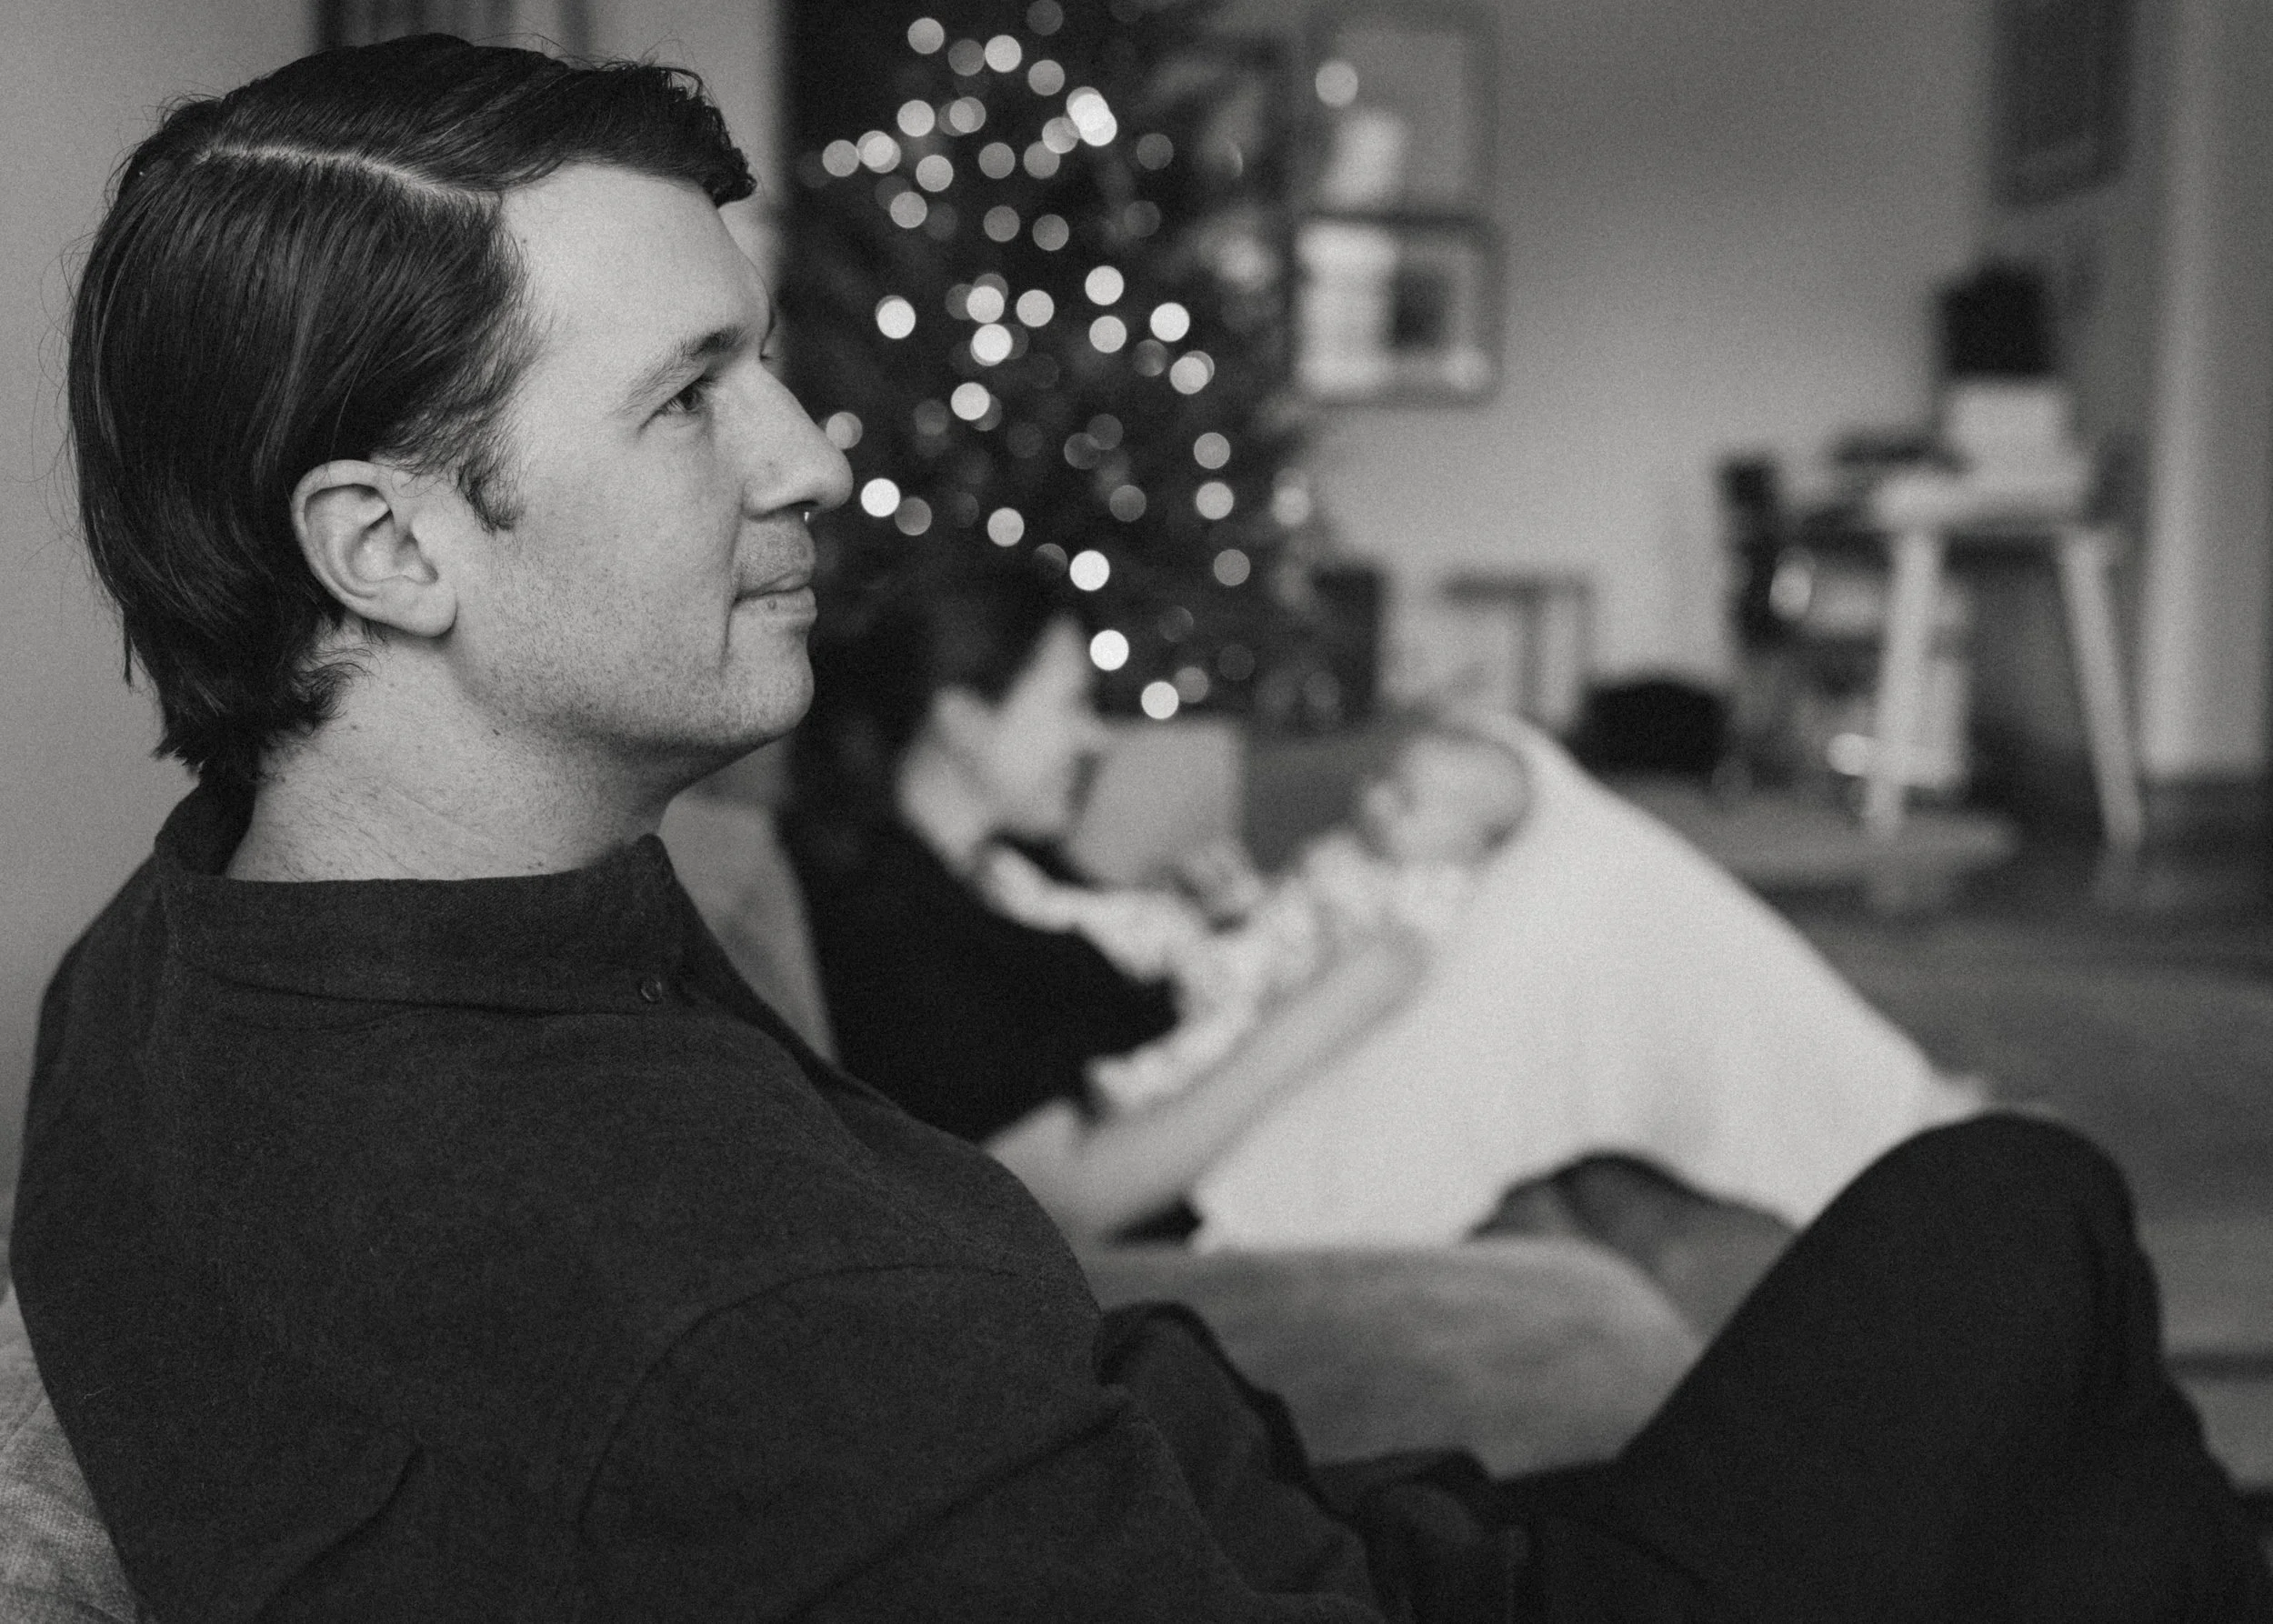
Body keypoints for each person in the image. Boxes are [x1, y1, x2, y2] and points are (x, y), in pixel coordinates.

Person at [14, 35, 2268, 1621]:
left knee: (2092, 1526)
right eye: (692, 396)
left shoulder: (173, 964)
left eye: (763, 361)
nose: (808, 458)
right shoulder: (720, 1303)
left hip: (1265, 1495)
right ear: (389, 549)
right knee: (2021, 1203)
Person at [784, 565, 1978, 1248]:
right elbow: (1066, 1195)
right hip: (1232, 1196)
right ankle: (1899, 1140)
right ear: (957, 715)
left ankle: (1891, 1125)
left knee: (1549, 840)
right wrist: (1330, 1011)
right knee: (1581, 906)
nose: (1097, 738)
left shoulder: (982, 862)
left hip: (1252, 1078)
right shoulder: (889, 919)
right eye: (1068, 703)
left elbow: (1093, 997)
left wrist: (1197, 920)